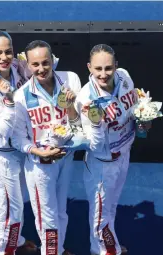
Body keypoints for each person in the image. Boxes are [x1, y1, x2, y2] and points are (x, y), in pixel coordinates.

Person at [12, 40, 82, 255]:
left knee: (61, 212)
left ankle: (57, 249)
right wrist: (38, 151)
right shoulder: (21, 97)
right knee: (47, 215)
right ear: (28, 66)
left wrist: (70, 107)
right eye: (35, 64)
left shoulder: (70, 80)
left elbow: (79, 125)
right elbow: (18, 140)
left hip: (65, 159)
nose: (41, 69)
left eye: (45, 62)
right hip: (40, 164)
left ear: (53, 60)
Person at [75, 44, 145, 255]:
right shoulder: (87, 100)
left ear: (116, 66)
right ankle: (102, 250)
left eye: (108, 68)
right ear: (89, 68)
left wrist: (143, 119)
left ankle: (109, 244)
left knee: (111, 207)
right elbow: (94, 146)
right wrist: (97, 123)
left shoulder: (124, 77)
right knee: (100, 214)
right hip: (102, 164)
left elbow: (133, 106)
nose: (103, 74)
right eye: (98, 69)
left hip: (124, 153)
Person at [0, 30, 37, 255]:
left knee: (16, 205)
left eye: (8, 51)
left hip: (20, 150)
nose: (4, 57)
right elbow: (2, 129)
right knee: (10, 209)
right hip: (2, 154)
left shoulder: (16, 70)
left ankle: (16, 240)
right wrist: (11, 101)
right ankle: (3, 251)